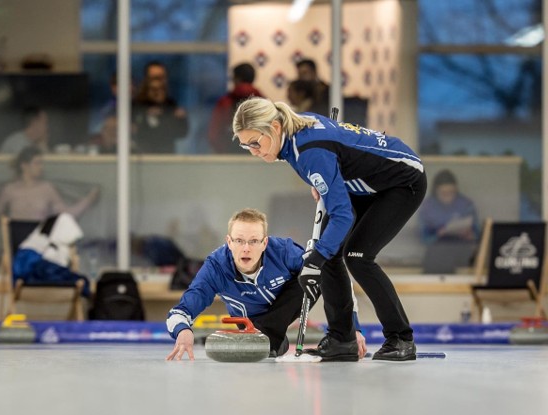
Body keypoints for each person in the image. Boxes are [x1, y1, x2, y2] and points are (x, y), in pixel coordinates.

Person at [233, 97, 427, 362]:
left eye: (256, 142)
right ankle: (341, 339)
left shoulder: (309, 150)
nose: (254, 151)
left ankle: (401, 338)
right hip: (362, 181)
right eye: (246, 146)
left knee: (357, 257)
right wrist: (324, 180)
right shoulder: (293, 137)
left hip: (402, 180)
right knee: (329, 253)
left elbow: (343, 215)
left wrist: (317, 256)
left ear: (275, 127)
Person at [165, 208, 367, 361]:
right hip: (250, 326)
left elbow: (336, 277)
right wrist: (183, 331)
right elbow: (178, 312)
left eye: (253, 241)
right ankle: (273, 341)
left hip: (274, 318)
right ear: (228, 242)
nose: (246, 248)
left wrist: (351, 328)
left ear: (265, 243)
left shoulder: (284, 252)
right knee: (271, 348)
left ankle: (268, 337)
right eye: (239, 241)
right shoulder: (216, 267)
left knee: (316, 270)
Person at [0, 146, 100, 222]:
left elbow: (67, 214)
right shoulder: (10, 189)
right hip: (17, 249)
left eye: (42, 163)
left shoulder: (47, 188)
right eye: (37, 163)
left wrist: (89, 199)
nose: (41, 167)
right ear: (24, 166)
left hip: (40, 248)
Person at [419, 169, 479, 273]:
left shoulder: (466, 205)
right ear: (435, 191)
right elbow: (423, 238)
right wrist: (438, 234)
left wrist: (471, 235)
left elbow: (478, 234)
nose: (448, 196)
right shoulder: (427, 207)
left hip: (463, 253)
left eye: (451, 192)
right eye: (443, 193)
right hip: (436, 255)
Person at [208, 63, 265, 154]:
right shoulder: (265, 103)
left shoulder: (225, 102)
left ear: (237, 79)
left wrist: (223, 152)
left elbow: (214, 134)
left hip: (230, 156)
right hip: (258, 158)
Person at [131, 77, 188, 153]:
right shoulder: (137, 107)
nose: (158, 92)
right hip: (143, 153)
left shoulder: (170, 106)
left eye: (162, 89)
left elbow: (181, 133)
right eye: (154, 89)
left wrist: (181, 120)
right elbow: (134, 131)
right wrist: (146, 116)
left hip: (166, 153)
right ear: (146, 91)